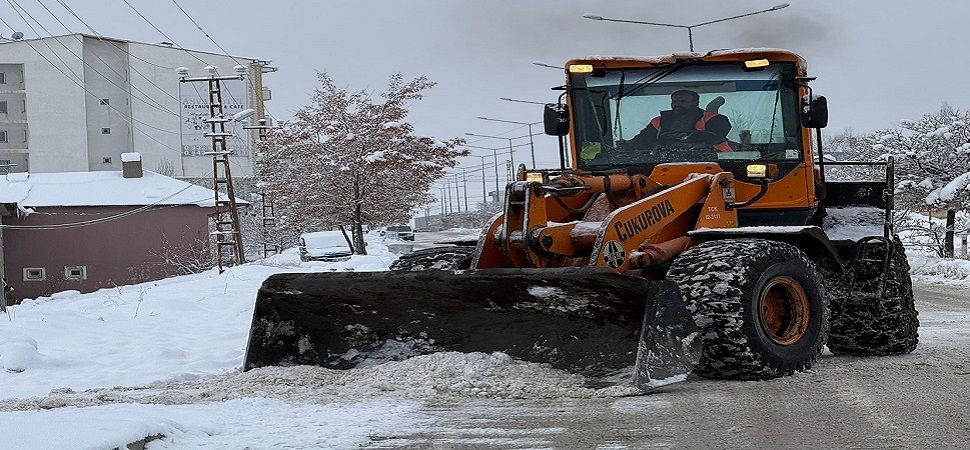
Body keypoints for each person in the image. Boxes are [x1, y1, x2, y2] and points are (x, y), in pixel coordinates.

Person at [621, 90, 733, 152]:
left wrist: (692, 137)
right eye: (674, 101)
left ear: (696, 103)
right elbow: (640, 141)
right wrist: (625, 146)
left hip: (717, 164)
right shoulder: (658, 122)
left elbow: (717, 135)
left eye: (683, 101)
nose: (677, 104)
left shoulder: (714, 119)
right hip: (665, 165)